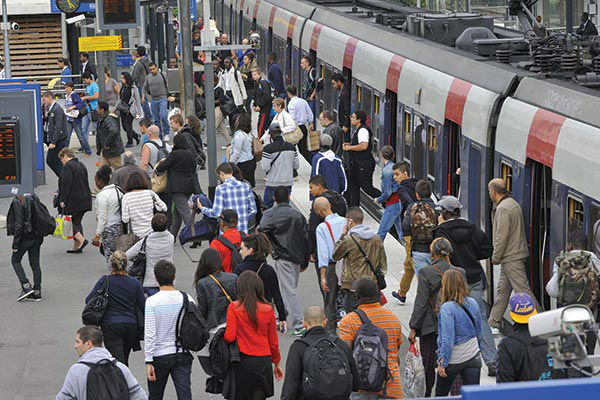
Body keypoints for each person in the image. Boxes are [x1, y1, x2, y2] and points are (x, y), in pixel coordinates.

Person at [433, 195, 498, 376]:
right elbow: (487, 249)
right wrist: (471, 257)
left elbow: (439, 255)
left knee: (448, 317)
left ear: (445, 213)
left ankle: (453, 359)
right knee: (480, 318)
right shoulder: (473, 228)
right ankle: (491, 361)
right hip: (474, 278)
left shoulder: (441, 232)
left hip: (453, 280)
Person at [408, 237, 467, 397]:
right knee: (454, 362)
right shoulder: (460, 272)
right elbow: (465, 301)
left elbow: (420, 303)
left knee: (428, 364)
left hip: (430, 326)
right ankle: (456, 395)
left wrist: (414, 327)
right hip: (454, 327)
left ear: (432, 253)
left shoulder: (426, 272)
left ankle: (427, 394)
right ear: (449, 253)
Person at [488, 178, 541, 330]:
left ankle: (542, 321)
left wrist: (495, 257)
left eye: (489, 192)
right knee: (502, 291)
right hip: (514, 253)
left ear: (494, 192)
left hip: (511, 256)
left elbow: (501, 236)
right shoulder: (512, 203)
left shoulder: (503, 209)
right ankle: (494, 320)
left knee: (523, 291)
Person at [339, 277, 403, 399]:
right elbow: (396, 348)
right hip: (390, 387)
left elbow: (345, 355)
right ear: (378, 295)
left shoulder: (349, 321)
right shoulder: (393, 319)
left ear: (357, 297)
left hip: (361, 388)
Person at [224, 270, 284, 400]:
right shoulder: (268, 309)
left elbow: (229, 337)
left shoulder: (234, 307)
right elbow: (273, 342)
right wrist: (277, 363)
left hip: (242, 361)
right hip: (263, 362)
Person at [260, 186, 310, 336]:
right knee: (289, 287)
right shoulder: (297, 215)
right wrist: (305, 260)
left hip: (282, 256)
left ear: (274, 198)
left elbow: (262, 229)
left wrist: (272, 249)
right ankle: (281, 316)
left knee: (288, 290)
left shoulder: (270, 214)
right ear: (289, 197)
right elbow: (306, 238)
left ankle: (298, 323)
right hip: (296, 257)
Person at [281, 306, 359, 400]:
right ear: (325, 322)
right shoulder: (340, 344)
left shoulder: (298, 347)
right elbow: (355, 384)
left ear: (304, 324)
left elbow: (290, 387)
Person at [144, 260, 194, 399]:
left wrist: (148, 360)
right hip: (182, 353)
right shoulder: (187, 298)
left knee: (155, 395)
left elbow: (150, 334)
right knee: (185, 395)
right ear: (174, 277)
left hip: (159, 355)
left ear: (155, 278)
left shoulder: (152, 302)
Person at [85, 251, 145, 366]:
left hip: (110, 325)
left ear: (111, 265)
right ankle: (124, 380)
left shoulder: (105, 280)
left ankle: (121, 382)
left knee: (117, 361)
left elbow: (89, 300)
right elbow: (143, 305)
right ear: (126, 265)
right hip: (130, 325)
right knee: (124, 359)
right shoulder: (134, 283)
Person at [56, 326, 147, 400]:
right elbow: (138, 394)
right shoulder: (120, 367)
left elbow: (64, 397)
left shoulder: (76, 370)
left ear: (88, 344)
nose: (75, 346)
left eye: (77, 342)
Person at [435, 269, 483, 397]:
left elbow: (447, 339)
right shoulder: (472, 302)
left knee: (441, 395)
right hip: (473, 356)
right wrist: (478, 349)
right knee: (472, 396)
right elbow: (479, 331)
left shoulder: (446, 308)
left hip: (453, 360)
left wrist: (442, 363)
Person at [332, 207, 387, 313]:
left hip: (353, 287)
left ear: (350, 221)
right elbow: (383, 264)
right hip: (373, 287)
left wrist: (343, 234)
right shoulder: (377, 239)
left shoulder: (348, 240)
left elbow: (335, 255)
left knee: (354, 319)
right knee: (372, 317)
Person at [235, 233, 288, 328]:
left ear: (250, 250)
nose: (240, 252)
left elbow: (235, 293)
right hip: (265, 312)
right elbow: (277, 295)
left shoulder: (239, 269)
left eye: (242, 249)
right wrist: (282, 317)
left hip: (245, 312)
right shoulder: (268, 270)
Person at [497, 293, 553, 383]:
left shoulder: (507, 344)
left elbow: (504, 382)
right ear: (533, 312)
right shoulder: (549, 336)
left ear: (512, 315)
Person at [308, 175, 348, 294]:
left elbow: (312, 228)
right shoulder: (339, 198)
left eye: (311, 187)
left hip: (329, 258)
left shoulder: (318, 202)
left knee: (329, 294)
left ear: (319, 187)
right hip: (344, 255)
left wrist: (311, 251)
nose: (310, 190)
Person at [154, 133, 198, 238]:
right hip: (189, 186)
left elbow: (161, 167)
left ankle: (194, 236)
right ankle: (172, 236)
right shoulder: (190, 154)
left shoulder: (174, 154)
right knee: (178, 213)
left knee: (185, 212)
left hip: (177, 187)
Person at [314, 197, 347, 332]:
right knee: (347, 300)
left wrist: (322, 277)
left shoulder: (322, 228)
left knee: (330, 302)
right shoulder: (345, 221)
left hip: (332, 267)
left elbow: (323, 254)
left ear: (318, 211)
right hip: (346, 265)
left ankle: (331, 335)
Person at [198, 162, 257, 233]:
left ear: (221, 173)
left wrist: (202, 208)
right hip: (242, 231)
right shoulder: (246, 186)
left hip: (227, 233)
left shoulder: (220, 189)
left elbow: (216, 213)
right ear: (231, 172)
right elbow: (253, 210)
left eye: (218, 176)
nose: (220, 179)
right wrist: (243, 218)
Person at [126, 213, 174, 297]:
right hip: (168, 279)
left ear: (152, 226)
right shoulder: (171, 238)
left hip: (150, 281)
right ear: (166, 225)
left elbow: (127, 255)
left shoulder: (147, 240)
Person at [7, 194, 44, 302]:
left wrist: (15, 245)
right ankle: (37, 292)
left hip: (25, 238)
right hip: (37, 236)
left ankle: (26, 286)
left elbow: (19, 225)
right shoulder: (34, 198)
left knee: (15, 260)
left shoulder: (17, 202)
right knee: (35, 263)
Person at [391, 161, 418, 305]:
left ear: (405, 173)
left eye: (397, 174)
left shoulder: (401, 190)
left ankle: (426, 291)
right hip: (422, 229)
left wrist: (408, 218)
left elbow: (410, 204)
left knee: (414, 262)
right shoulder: (418, 184)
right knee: (408, 263)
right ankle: (402, 293)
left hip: (410, 231)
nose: (395, 178)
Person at [58, 148, 92, 254]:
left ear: (65, 156)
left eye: (61, 159)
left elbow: (66, 185)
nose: (62, 162)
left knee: (67, 222)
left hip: (74, 200)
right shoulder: (81, 165)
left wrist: (62, 200)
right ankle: (77, 246)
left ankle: (81, 240)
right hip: (85, 199)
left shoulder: (68, 167)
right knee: (77, 222)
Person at [194, 247, 238, 330]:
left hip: (214, 325)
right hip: (232, 323)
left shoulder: (203, 283)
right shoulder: (233, 277)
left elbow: (202, 310)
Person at [344, 111, 381, 207]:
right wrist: (350, 145)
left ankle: (384, 198)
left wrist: (350, 148)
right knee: (352, 186)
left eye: (353, 117)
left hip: (363, 164)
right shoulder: (358, 130)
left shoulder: (363, 130)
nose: (351, 119)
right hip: (356, 164)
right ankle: (353, 207)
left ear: (359, 120)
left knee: (367, 187)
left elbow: (364, 146)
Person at [401, 179, 437, 274]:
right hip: (435, 251)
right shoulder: (436, 208)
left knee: (424, 282)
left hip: (418, 250)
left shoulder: (412, 207)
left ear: (417, 194)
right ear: (430, 193)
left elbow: (405, 227)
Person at [261, 123, 299, 208]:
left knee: (267, 207)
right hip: (288, 182)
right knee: (285, 206)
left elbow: (265, 167)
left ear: (271, 134)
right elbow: (296, 166)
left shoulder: (268, 149)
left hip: (273, 183)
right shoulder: (292, 147)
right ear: (281, 132)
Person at [92, 166, 124, 267]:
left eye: (96, 181)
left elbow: (103, 217)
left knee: (111, 258)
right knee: (120, 256)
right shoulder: (118, 190)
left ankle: (113, 278)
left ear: (100, 181)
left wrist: (97, 235)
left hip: (109, 229)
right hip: (120, 226)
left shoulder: (102, 196)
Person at [121, 171, 168, 238]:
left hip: (136, 234)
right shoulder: (150, 193)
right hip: (152, 231)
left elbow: (125, 219)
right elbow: (164, 208)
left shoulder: (126, 197)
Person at [375, 146, 402, 243]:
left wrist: (378, 199)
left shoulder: (387, 171)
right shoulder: (394, 167)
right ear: (393, 155)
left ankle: (375, 255)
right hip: (398, 202)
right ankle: (410, 253)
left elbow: (387, 192)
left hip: (392, 204)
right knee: (401, 232)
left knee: (381, 231)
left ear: (381, 156)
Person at [42, 91, 69, 177]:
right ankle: (63, 180)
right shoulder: (51, 109)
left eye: (44, 99)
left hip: (59, 141)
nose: (43, 102)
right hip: (55, 140)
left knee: (57, 162)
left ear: (50, 98)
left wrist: (53, 142)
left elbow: (58, 126)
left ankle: (64, 181)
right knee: (50, 161)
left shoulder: (57, 109)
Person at [287, 84, 315, 162]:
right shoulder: (303, 101)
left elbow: (292, 118)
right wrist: (311, 123)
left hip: (295, 129)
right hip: (303, 127)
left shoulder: (291, 104)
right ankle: (314, 164)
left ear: (288, 93)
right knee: (303, 150)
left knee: (290, 149)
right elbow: (310, 113)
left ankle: (292, 168)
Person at [142, 62, 170, 139]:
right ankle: (159, 134)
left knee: (163, 115)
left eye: (153, 69)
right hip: (153, 100)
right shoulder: (148, 77)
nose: (152, 71)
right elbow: (144, 87)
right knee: (156, 119)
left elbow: (168, 84)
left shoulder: (162, 75)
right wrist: (143, 97)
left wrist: (169, 95)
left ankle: (166, 132)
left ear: (157, 68)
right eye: (150, 69)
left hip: (162, 98)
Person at [63, 82, 91, 156]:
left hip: (75, 118)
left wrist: (73, 107)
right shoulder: (67, 96)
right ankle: (65, 153)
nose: (66, 89)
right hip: (69, 118)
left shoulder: (74, 95)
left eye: (67, 87)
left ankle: (88, 151)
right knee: (67, 137)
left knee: (80, 136)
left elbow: (81, 103)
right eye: (65, 87)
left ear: (71, 88)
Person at [229, 113, 256, 187]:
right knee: (249, 186)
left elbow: (236, 153)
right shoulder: (249, 134)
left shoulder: (239, 136)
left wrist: (230, 164)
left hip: (242, 164)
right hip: (250, 161)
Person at [96, 101, 125, 169]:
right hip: (105, 151)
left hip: (113, 151)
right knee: (102, 171)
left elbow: (114, 131)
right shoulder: (101, 118)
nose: (96, 109)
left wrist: (106, 144)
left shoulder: (109, 119)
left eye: (98, 108)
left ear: (102, 110)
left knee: (119, 170)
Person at [118, 71, 141, 147]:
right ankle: (136, 136)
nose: (122, 79)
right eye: (121, 78)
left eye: (123, 78)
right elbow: (120, 99)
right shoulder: (122, 87)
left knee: (128, 126)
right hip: (122, 108)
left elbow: (137, 100)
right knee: (124, 127)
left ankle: (130, 142)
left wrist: (139, 111)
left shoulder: (133, 88)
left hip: (130, 109)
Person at [252, 68, 274, 138]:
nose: (253, 76)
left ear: (259, 74)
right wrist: (254, 105)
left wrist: (259, 105)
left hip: (265, 109)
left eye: (255, 74)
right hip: (263, 108)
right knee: (266, 126)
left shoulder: (263, 83)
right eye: (252, 75)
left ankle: (260, 143)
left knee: (260, 127)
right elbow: (257, 96)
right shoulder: (257, 83)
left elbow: (266, 96)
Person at [131, 46, 152, 119]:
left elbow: (134, 76)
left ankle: (148, 116)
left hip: (141, 84)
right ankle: (150, 115)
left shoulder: (139, 63)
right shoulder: (149, 61)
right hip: (149, 82)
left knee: (143, 100)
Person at [80, 72, 100, 140]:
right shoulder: (88, 86)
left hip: (93, 109)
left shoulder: (94, 85)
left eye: (85, 80)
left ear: (89, 78)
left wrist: (85, 98)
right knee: (83, 128)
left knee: (97, 127)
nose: (84, 82)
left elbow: (96, 96)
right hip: (87, 109)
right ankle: (85, 145)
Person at [301, 56, 319, 122]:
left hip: (312, 99)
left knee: (311, 117)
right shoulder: (307, 72)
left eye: (302, 63)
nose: (301, 65)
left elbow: (317, 85)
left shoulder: (312, 71)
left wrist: (312, 96)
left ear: (307, 63)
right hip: (309, 98)